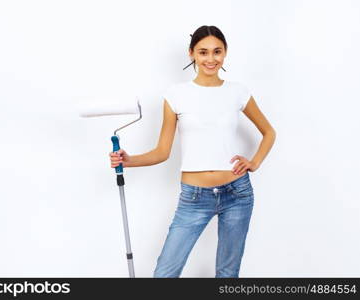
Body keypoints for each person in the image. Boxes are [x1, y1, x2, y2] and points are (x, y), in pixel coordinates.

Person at [109, 25, 276, 277]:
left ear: (225, 53)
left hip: (238, 193)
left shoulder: (238, 92)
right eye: (203, 52)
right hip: (194, 198)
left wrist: (255, 162)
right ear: (192, 54)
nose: (211, 59)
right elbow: (162, 151)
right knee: (165, 274)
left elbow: (269, 132)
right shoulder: (176, 95)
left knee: (228, 274)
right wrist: (129, 160)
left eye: (217, 52)